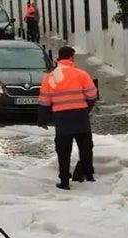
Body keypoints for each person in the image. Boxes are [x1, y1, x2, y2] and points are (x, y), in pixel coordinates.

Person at [38, 46, 98, 190]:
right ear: (71, 57)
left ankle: (64, 180)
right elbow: (92, 94)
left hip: (61, 118)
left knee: (64, 151)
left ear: (59, 58)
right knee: (85, 147)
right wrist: (86, 107)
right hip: (80, 116)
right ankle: (87, 175)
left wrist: (43, 119)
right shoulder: (81, 74)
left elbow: (44, 100)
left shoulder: (50, 77)